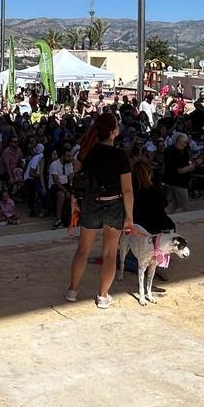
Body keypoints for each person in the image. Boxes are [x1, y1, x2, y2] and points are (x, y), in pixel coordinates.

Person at [65, 112, 134, 309]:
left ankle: (72, 290)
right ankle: (103, 296)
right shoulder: (120, 156)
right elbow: (127, 190)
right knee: (110, 253)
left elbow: (76, 181)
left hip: (91, 204)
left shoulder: (87, 152)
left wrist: (75, 204)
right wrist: (129, 217)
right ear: (112, 132)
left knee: (83, 250)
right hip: (114, 205)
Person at [162, 132, 196, 214]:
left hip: (180, 182)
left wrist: (191, 165)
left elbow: (189, 162)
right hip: (177, 183)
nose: (185, 145)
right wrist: (191, 166)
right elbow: (180, 170)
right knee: (183, 207)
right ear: (177, 141)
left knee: (174, 206)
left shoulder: (185, 149)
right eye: (184, 142)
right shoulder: (170, 151)